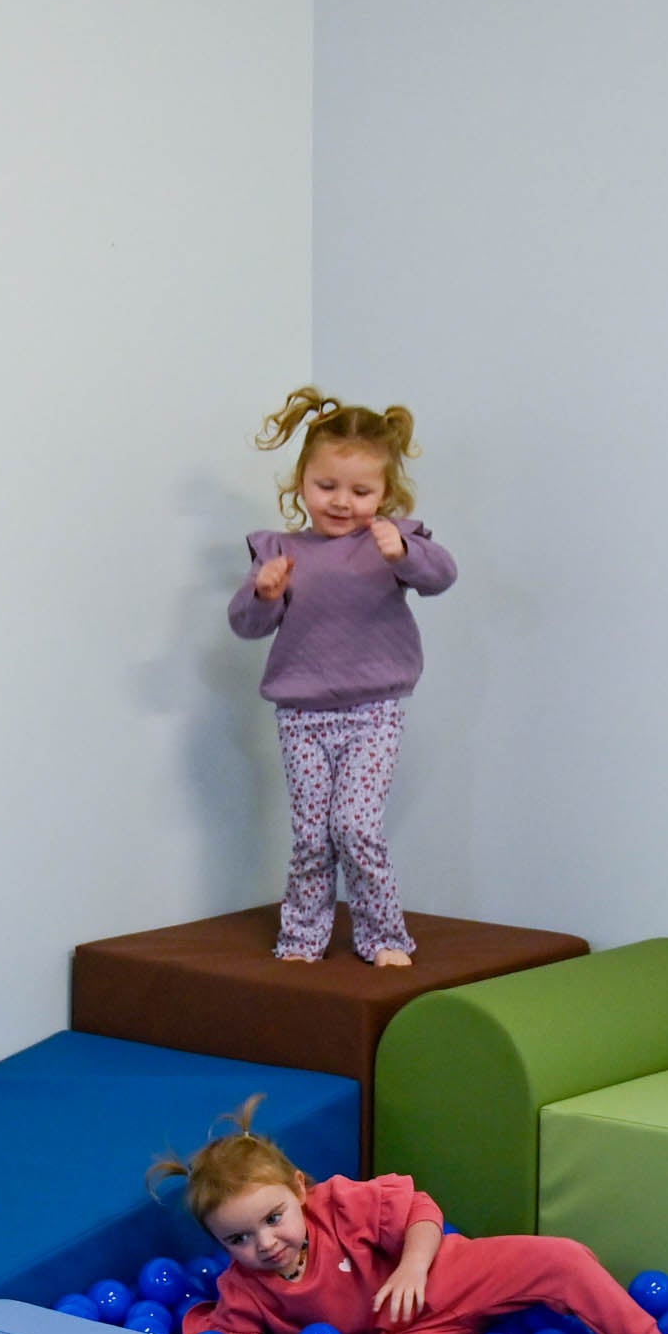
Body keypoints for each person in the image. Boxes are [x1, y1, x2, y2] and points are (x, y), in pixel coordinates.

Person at [229, 387, 457, 966]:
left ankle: (384, 937)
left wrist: (403, 552)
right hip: (301, 716)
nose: (341, 502)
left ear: (385, 493)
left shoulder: (391, 542)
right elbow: (247, 626)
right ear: (301, 482)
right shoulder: (279, 550)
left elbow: (441, 577)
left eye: (361, 492)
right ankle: (302, 939)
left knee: (355, 826)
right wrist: (264, 592)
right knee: (312, 836)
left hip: (373, 712)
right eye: (326, 486)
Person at [149, 1100, 663, 1334]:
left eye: (273, 1218)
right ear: (218, 1243)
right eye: (238, 1239)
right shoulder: (245, 1290)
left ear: (300, 1190)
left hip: (450, 1275)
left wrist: (413, 1268)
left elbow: (420, 1210)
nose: (265, 1243)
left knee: (562, 1258)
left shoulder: (338, 1205)